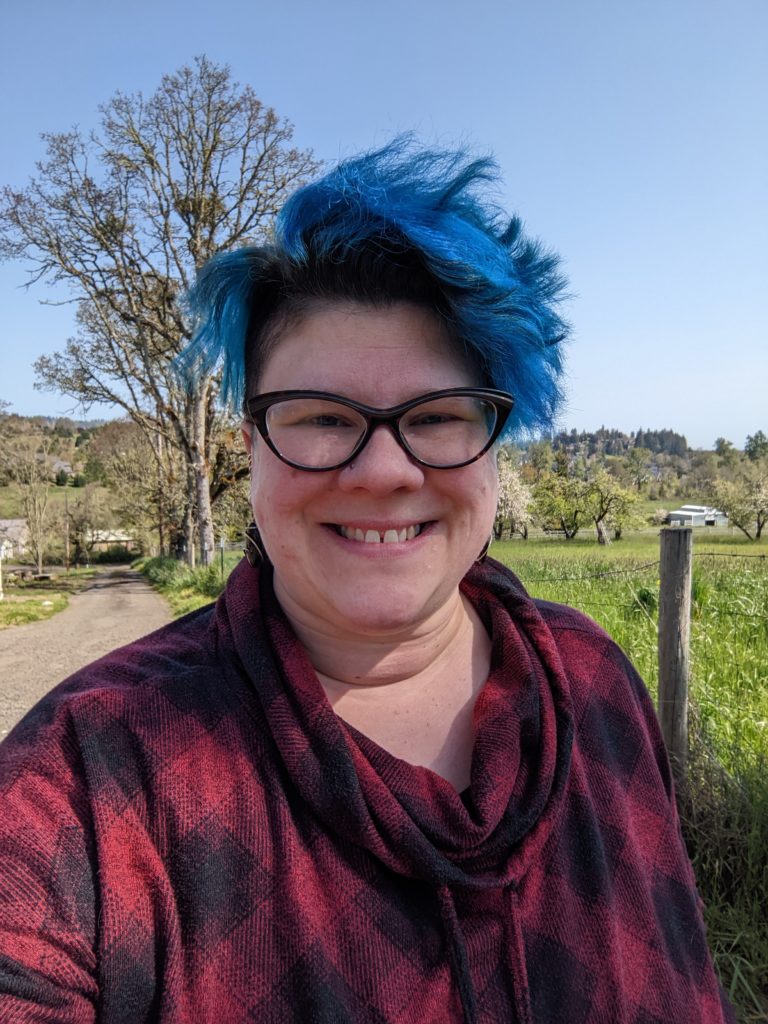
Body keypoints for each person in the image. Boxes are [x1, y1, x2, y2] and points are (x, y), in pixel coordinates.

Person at [0, 139, 733, 1024]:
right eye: (319, 418)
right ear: (249, 452)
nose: (384, 470)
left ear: (495, 447)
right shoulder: (88, 780)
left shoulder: (593, 680)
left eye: (436, 416)